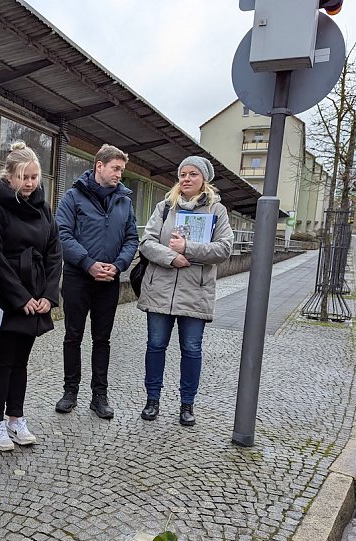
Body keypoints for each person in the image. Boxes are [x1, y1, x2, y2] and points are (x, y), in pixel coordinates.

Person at [136, 156, 233, 426]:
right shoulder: (165, 207)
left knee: (191, 348)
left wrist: (188, 249)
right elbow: (146, 243)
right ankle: (152, 400)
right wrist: (171, 257)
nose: (186, 179)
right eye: (182, 174)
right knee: (155, 346)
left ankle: (187, 404)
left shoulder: (217, 211)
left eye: (192, 174)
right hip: (161, 290)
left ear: (204, 179)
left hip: (195, 291)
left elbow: (224, 248)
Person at [0, 142, 62, 451]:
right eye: (24, 177)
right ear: (9, 176)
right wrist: (19, 296)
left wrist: (47, 295)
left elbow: (54, 251)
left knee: (21, 362)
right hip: (8, 295)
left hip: (36, 291)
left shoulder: (43, 206)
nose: (30, 184)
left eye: (34, 177)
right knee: (2, 361)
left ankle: (16, 417)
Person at [54, 144, 139, 419]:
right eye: (116, 168)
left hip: (109, 280)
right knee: (73, 336)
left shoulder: (124, 201)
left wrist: (118, 266)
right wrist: (88, 264)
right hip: (78, 277)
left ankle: (99, 396)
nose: (119, 175)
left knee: (102, 339)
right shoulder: (73, 197)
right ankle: (70, 391)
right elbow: (62, 234)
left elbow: (131, 239)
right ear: (99, 166)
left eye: (122, 170)